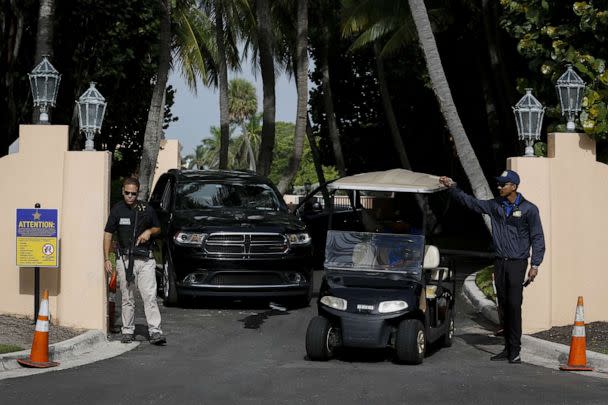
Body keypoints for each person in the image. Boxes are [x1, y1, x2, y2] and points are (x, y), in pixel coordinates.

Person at [439, 170, 545, 364]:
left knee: (514, 305)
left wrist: (535, 264)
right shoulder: (495, 206)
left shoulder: (529, 209)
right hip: (499, 263)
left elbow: (537, 237)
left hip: (517, 263)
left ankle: (515, 350)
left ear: (513, 186)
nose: (499, 187)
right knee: (504, 306)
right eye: (499, 184)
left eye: (503, 184)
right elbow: (472, 203)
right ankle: (507, 348)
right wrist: (453, 188)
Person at [103, 177, 166, 345]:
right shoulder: (117, 210)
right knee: (127, 297)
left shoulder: (146, 209)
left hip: (145, 260)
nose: (130, 196)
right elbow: (108, 234)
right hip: (124, 260)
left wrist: (148, 232)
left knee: (149, 296)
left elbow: (158, 228)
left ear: (138, 193)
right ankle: (128, 330)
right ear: (123, 191)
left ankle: (155, 331)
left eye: (133, 193)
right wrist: (107, 259)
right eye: (127, 193)